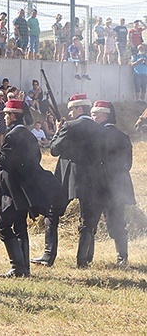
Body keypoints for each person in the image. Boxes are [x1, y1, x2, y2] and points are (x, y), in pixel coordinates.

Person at [31, 93, 108, 268]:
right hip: (94, 178)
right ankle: (83, 261)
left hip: (68, 177)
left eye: (72, 109)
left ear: (79, 108)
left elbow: (54, 149)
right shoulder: (101, 129)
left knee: (52, 213)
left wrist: (58, 130)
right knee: (87, 220)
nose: (71, 112)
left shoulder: (69, 126)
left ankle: (48, 256)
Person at [0, 99, 60, 278]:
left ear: (13, 115)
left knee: (3, 226)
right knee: (19, 226)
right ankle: (24, 268)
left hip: (11, 189)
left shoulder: (12, 136)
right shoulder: (27, 134)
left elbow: (5, 162)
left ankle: (18, 266)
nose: (5, 118)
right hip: (23, 189)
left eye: (6, 115)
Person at [91, 101, 135, 266]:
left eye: (95, 114)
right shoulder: (123, 136)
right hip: (117, 186)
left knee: (90, 222)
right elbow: (128, 164)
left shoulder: (96, 135)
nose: (92, 117)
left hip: (98, 185)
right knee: (118, 223)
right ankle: (122, 257)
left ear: (104, 115)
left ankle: (86, 258)